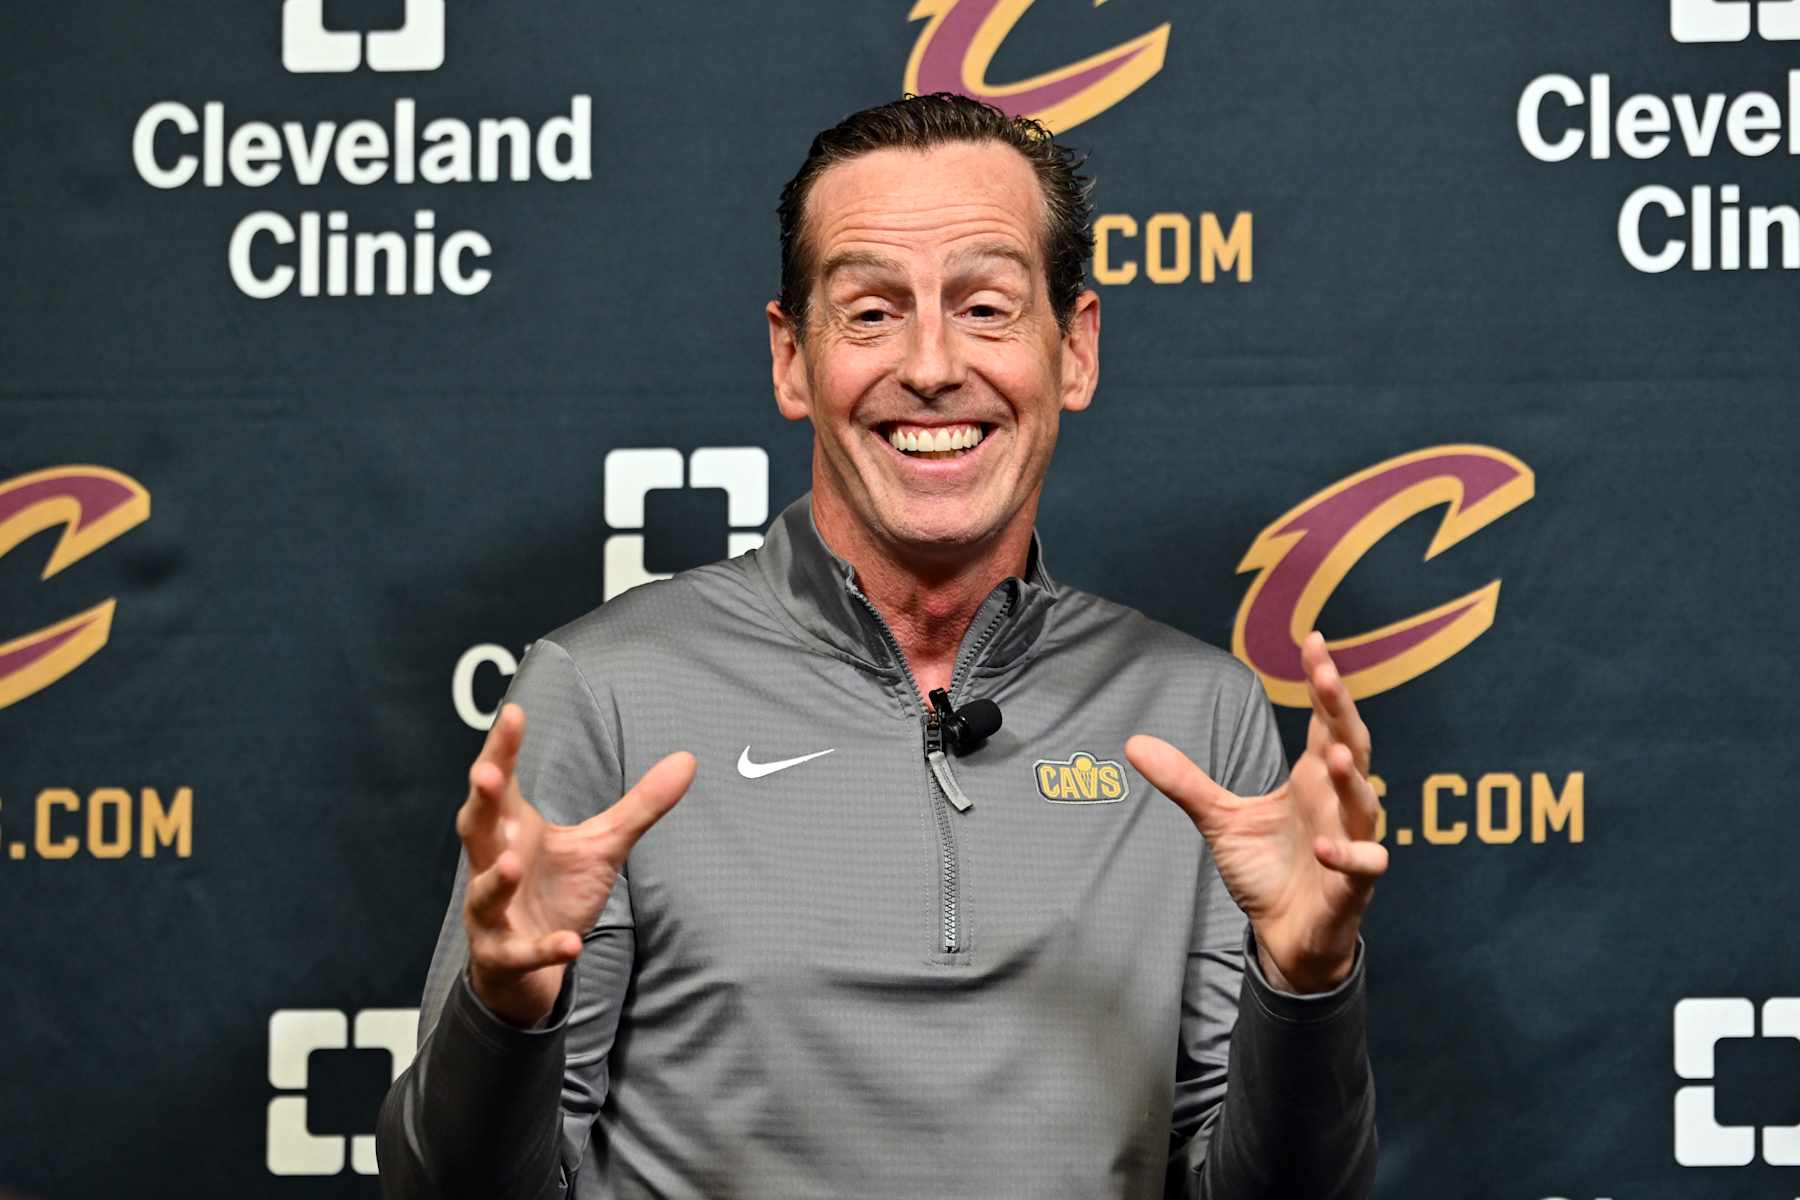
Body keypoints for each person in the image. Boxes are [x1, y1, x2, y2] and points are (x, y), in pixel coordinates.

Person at [378, 93, 1385, 1199]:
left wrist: (1307, 984)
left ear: (1076, 348)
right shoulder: (603, 694)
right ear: (793, 360)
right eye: (869, 313)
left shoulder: (1201, 715)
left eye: (988, 308)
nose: (932, 365)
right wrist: (506, 1011)